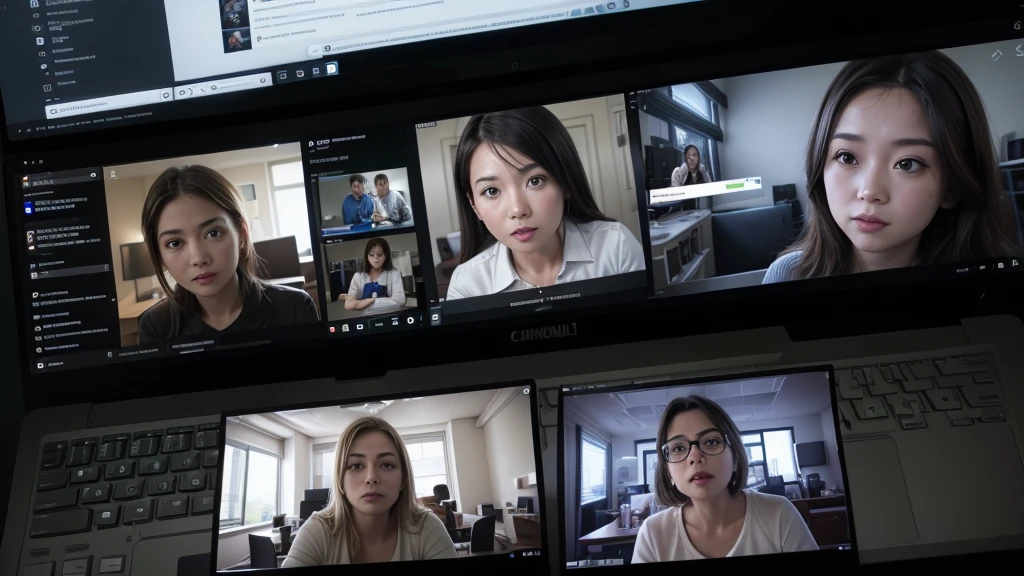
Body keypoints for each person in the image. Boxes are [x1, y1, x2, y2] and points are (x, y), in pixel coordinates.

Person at [763, 51, 1023, 284]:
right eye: (847, 157)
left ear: (951, 186)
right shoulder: (787, 276)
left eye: (907, 164)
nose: (870, 191)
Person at [445, 106, 645, 299]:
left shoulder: (616, 247)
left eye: (535, 181)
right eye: (492, 191)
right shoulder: (467, 286)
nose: (518, 210)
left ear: (566, 182)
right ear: (474, 206)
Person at [137, 165, 319, 342]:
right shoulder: (156, 328)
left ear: (241, 233)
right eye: (175, 243)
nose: (199, 258)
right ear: (159, 254)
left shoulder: (295, 309)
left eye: (213, 233)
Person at [632, 396, 817, 563]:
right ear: (668, 471)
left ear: (735, 458)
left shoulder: (779, 514)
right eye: (678, 448)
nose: (695, 457)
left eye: (711, 442)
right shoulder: (653, 534)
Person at [283, 417, 456, 565]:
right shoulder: (317, 532)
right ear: (340, 480)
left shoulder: (426, 528)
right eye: (356, 465)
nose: (371, 477)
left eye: (386, 465)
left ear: (403, 478)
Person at [345, 238, 406, 315]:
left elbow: (399, 301)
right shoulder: (358, 277)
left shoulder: (394, 274)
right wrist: (387, 300)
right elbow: (348, 305)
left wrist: (370, 301)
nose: (376, 258)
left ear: (385, 255)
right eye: (371, 254)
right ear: (367, 256)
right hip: (366, 320)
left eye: (379, 254)